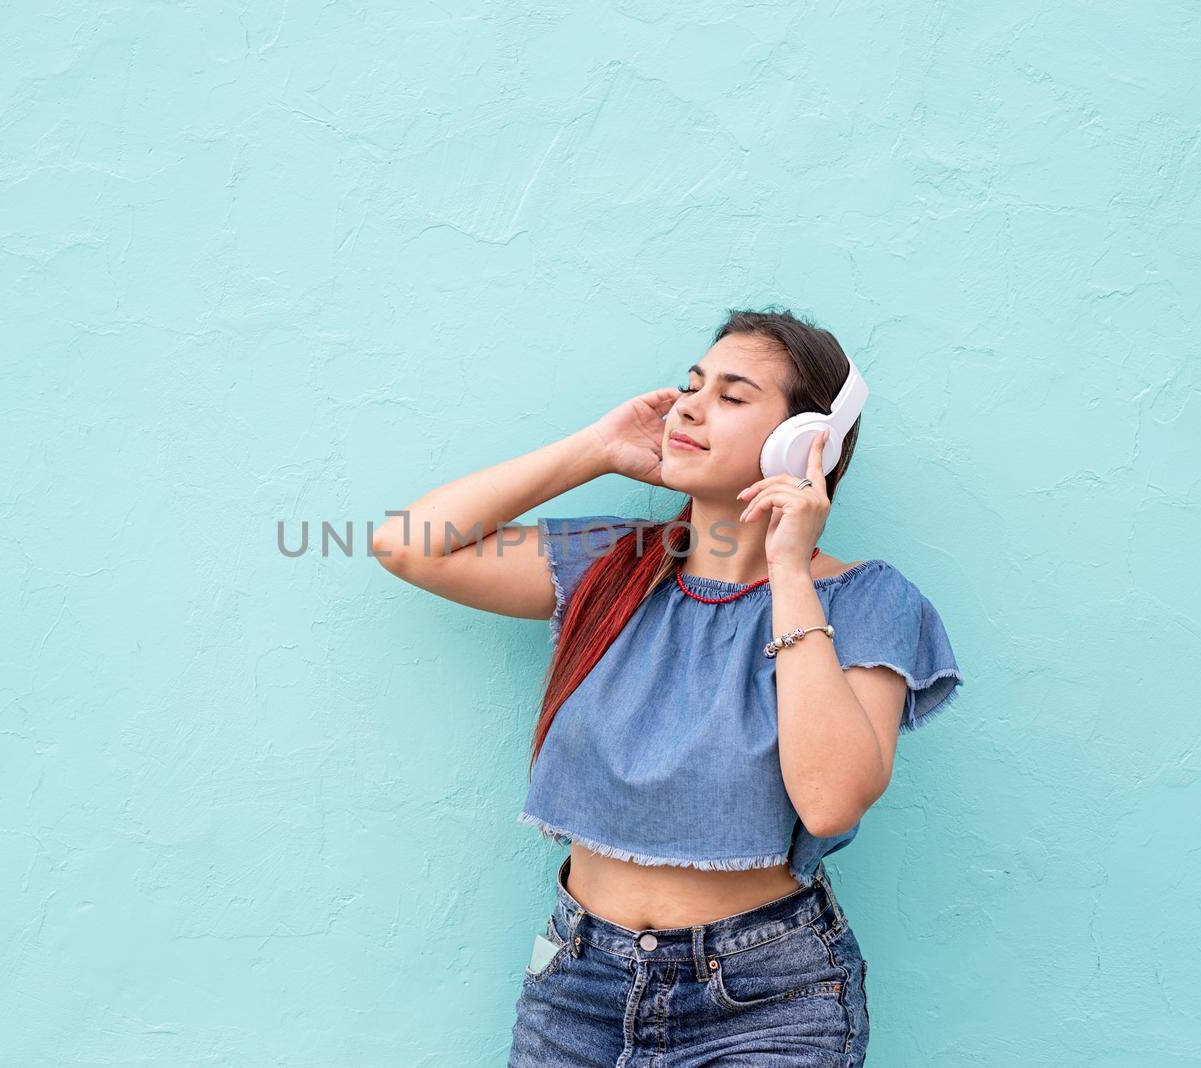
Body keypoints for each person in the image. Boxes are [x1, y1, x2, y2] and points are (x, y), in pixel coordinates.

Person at [372, 307, 964, 1066]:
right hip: (578, 982)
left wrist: (789, 567)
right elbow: (405, 543)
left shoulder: (866, 600)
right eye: (692, 385)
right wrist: (596, 449)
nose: (690, 404)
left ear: (806, 440)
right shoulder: (611, 565)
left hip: (769, 1002)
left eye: (733, 394)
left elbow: (830, 799)